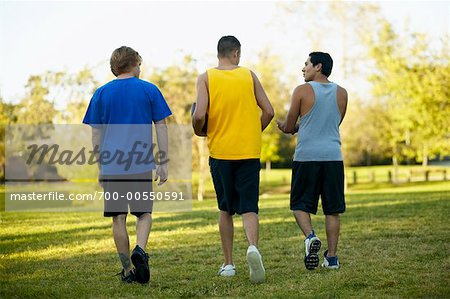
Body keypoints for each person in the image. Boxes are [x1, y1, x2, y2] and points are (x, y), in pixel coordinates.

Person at [83, 46, 172, 283]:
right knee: (144, 214)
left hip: (113, 165)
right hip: (141, 162)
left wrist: (101, 167)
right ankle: (140, 250)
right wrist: (163, 161)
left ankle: (127, 270)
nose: (141, 69)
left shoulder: (101, 93)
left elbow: (96, 136)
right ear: (134, 64)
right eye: (140, 64)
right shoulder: (149, 90)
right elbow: (161, 127)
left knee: (118, 217)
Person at [192, 36, 274, 283]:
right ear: (236, 53)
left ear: (219, 53)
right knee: (249, 207)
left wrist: (200, 130)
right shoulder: (249, 75)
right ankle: (253, 248)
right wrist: (252, 132)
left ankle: (228, 264)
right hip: (249, 151)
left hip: (221, 152)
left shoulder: (206, 77)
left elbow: (198, 115)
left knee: (226, 208)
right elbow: (269, 111)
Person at [277, 52, 348, 270]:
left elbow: (290, 127)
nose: (303, 68)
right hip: (333, 157)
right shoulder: (342, 93)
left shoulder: (302, 90)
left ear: (318, 66)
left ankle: (310, 237)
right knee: (332, 209)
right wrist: (301, 127)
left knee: (299, 204)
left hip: (307, 157)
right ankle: (332, 258)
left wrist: (284, 127)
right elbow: (331, 124)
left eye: (306, 64)